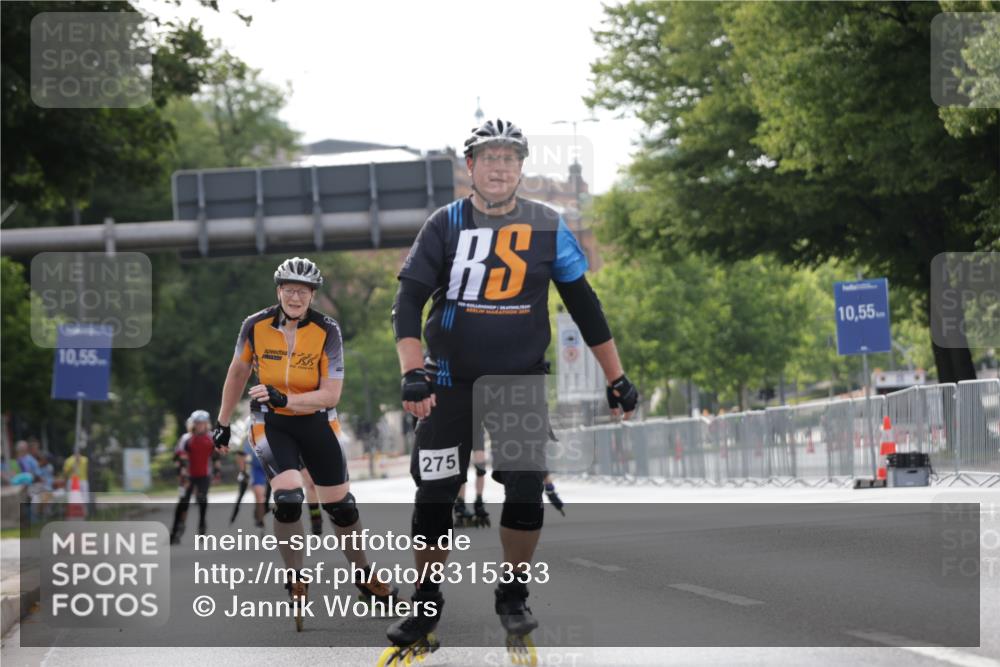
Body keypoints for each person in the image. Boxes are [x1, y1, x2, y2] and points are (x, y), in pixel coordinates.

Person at [382, 119, 639, 663]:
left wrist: (615, 378)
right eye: (488, 158)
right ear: (469, 167)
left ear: (521, 168)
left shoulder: (548, 224)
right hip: (447, 381)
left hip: (519, 380)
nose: (499, 168)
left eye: (509, 159)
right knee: (434, 494)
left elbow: (584, 305)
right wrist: (413, 373)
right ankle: (426, 601)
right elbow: (407, 304)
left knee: (524, 486)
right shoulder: (443, 224)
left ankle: (513, 592)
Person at [211, 256, 397, 632]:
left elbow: (331, 394)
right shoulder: (255, 325)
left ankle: (363, 575)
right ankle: (295, 577)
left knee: (341, 509)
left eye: (303, 291)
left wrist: (287, 399)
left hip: (316, 421)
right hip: (271, 425)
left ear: (313, 296)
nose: (295, 297)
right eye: (288, 289)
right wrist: (222, 422)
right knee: (289, 500)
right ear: (278, 291)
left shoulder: (328, 330)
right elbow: (237, 372)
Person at [170, 410, 219, 544]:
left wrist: (216, 472)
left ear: (206, 424)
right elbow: (179, 458)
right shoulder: (186, 438)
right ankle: (176, 530)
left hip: (204, 475)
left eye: (202, 423)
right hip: (188, 475)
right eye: (197, 423)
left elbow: (216, 457)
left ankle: (202, 527)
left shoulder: (211, 438)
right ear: (193, 424)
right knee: (183, 503)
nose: (199, 426)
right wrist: (182, 474)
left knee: (202, 500)